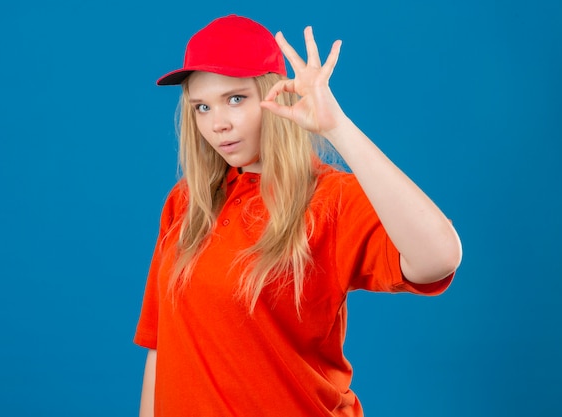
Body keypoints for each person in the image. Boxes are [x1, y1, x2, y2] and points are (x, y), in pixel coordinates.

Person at [134, 14, 462, 417]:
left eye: (236, 99)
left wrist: (336, 128)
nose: (217, 124)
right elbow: (162, 345)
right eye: (202, 106)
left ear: (275, 96)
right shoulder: (187, 203)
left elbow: (439, 257)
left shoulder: (326, 198)